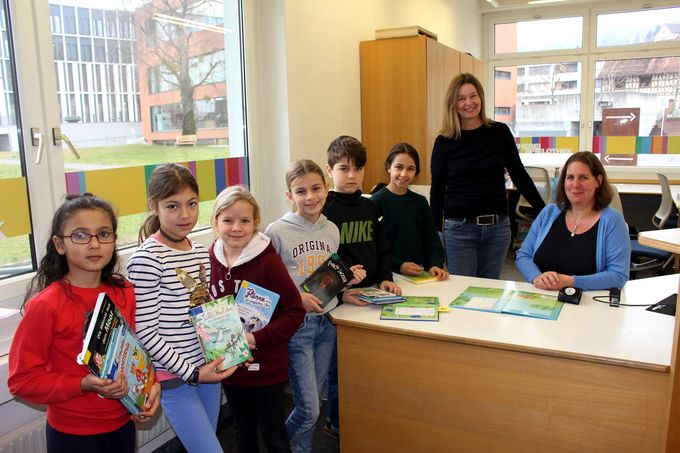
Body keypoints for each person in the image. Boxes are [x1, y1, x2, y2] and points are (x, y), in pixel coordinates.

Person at [8, 194, 160, 453]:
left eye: (104, 234)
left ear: (114, 240)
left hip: (122, 423)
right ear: (59, 244)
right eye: (80, 235)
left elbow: (136, 351)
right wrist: (82, 384)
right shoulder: (46, 305)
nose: (94, 244)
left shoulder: (124, 291)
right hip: (73, 433)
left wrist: (151, 387)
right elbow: (21, 381)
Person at [127, 163, 236, 453]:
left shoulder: (199, 250)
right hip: (175, 377)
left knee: (207, 442)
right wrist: (193, 373)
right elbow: (145, 332)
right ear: (154, 206)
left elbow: (205, 311)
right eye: (172, 206)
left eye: (191, 203)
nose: (185, 215)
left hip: (207, 367)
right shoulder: (148, 259)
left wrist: (228, 345)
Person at [265, 160, 366, 453]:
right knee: (309, 409)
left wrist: (347, 280)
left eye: (316, 188)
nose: (310, 197)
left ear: (326, 187)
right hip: (298, 326)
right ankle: (278, 446)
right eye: (301, 191)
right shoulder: (276, 231)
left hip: (327, 323)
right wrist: (296, 299)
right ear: (289, 195)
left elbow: (325, 279)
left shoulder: (331, 229)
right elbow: (266, 283)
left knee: (312, 407)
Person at [209, 185, 305, 453]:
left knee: (274, 436)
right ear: (216, 222)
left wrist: (255, 338)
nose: (236, 228)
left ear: (256, 222)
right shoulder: (211, 257)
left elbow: (294, 311)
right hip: (231, 368)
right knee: (243, 433)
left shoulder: (268, 262)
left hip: (267, 370)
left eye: (244, 221)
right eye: (228, 220)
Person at [322, 135, 402, 438]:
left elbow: (382, 249)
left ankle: (366, 419)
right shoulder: (324, 210)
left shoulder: (370, 207)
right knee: (341, 367)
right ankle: (336, 423)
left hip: (372, 296)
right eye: (344, 168)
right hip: (340, 301)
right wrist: (342, 292)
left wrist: (386, 277)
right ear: (330, 170)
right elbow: (322, 261)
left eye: (357, 168)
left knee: (370, 363)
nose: (352, 175)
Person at [430, 72, 546, 279]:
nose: (469, 103)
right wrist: (434, 233)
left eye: (473, 96)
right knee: (462, 291)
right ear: (453, 103)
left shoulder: (499, 133)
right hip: (459, 230)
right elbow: (437, 189)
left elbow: (519, 174)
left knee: (489, 291)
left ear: (481, 97)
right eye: (461, 98)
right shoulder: (445, 141)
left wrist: (544, 212)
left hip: (497, 229)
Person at [515, 151, 630, 291]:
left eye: (583, 178)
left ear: (598, 181)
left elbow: (618, 275)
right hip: (541, 296)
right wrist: (536, 277)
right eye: (570, 177)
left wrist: (571, 281)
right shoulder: (549, 213)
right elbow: (523, 255)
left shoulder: (612, 220)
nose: (575, 184)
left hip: (584, 300)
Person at [371, 143, 448, 281]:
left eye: (410, 169)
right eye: (399, 167)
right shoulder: (376, 202)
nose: (404, 174)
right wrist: (400, 266)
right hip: (388, 276)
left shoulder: (420, 202)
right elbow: (374, 247)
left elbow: (432, 241)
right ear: (388, 167)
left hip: (419, 274)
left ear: (416, 172)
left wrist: (434, 264)